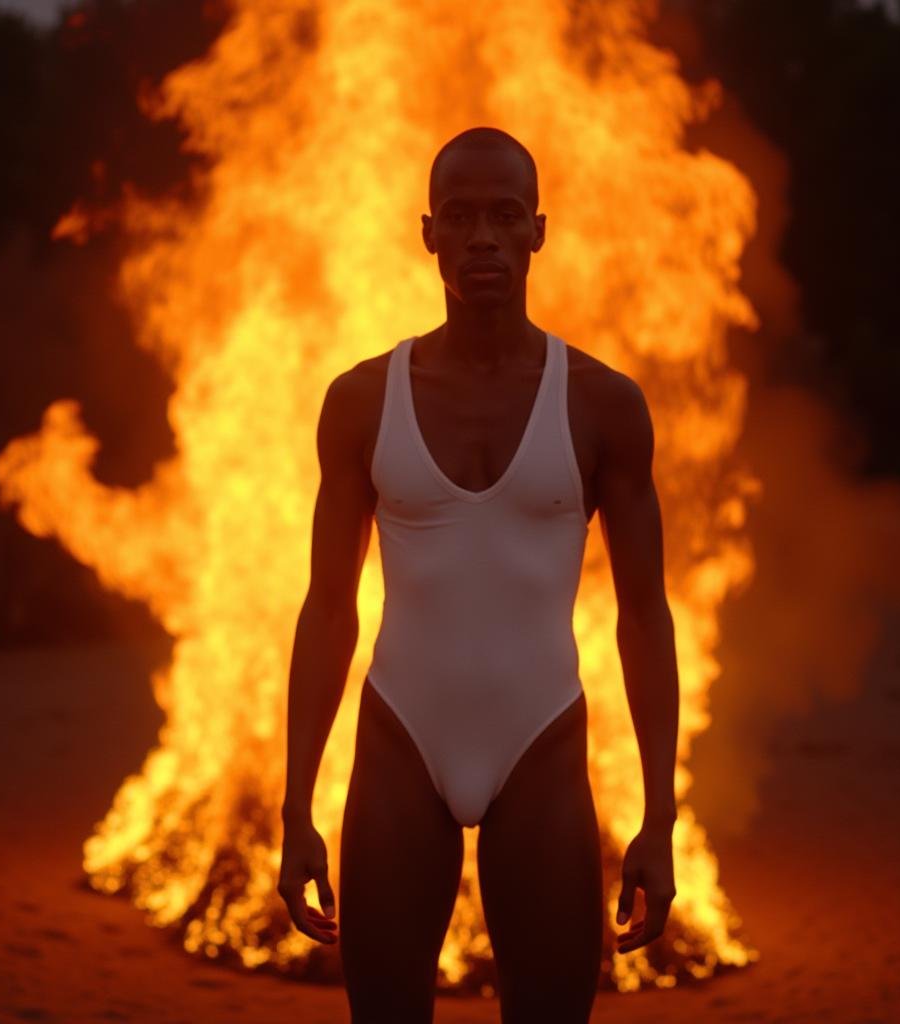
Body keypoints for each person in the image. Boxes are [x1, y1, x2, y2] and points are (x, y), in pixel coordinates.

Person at [278, 125, 679, 1024]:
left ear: (540, 230)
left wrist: (660, 817)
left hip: (540, 747)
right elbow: (328, 609)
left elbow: (645, 617)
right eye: (460, 218)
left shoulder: (603, 403)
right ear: (428, 234)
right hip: (397, 745)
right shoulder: (359, 400)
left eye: (505, 216)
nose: (483, 238)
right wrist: (295, 805)